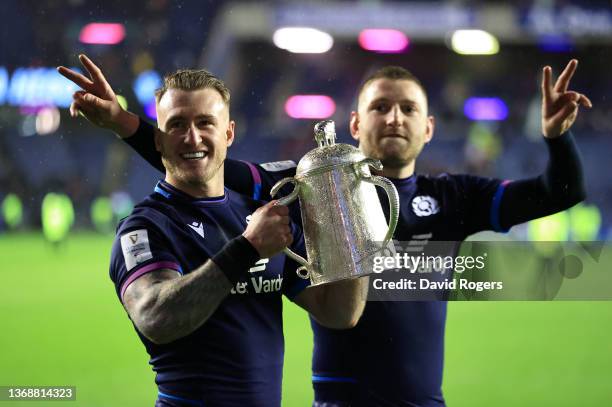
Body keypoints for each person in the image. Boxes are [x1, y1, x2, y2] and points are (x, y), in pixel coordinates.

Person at [59, 56, 591, 406]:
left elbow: (558, 192)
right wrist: (125, 123)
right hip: (336, 398)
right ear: (355, 125)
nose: (395, 119)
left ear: (429, 127)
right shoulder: (309, 186)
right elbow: (200, 157)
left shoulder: (455, 198)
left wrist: (556, 138)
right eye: (379, 107)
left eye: (409, 109)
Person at [58, 57, 367, 407]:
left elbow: (340, 313)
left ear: (229, 133)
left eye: (206, 122)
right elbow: (155, 317)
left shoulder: (264, 215)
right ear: (158, 140)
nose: (193, 137)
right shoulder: (147, 226)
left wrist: (351, 225)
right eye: (176, 125)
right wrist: (247, 249)